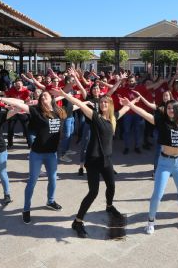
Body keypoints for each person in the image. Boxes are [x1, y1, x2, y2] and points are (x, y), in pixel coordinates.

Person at [120, 90, 178, 234]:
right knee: (158, 194)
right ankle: (150, 222)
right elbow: (145, 114)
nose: (170, 110)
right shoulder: (161, 122)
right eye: (168, 108)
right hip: (164, 163)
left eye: (173, 108)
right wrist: (130, 105)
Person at [55, 87, 134, 238]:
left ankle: (109, 206)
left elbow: (125, 108)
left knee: (111, 185)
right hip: (93, 160)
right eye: (102, 102)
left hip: (107, 160)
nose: (103, 104)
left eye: (106, 102)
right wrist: (65, 95)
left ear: (110, 105)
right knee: (93, 192)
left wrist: (133, 101)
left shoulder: (113, 118)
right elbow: (81, 104)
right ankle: (77, 221)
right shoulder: (96, 117)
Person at [0, 91, 66, 224]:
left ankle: (50, 201)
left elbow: (75, 104)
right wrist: (0, 98)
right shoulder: (36, 111)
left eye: (46, 95)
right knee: (32, 181)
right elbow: (19, 104)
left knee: (53, 179)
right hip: (37, 154)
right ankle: (26, 209)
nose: (43, 97)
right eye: (42, 96)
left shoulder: (60, 111)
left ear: (52, 98)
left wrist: (85, 101)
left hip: (52, 154)